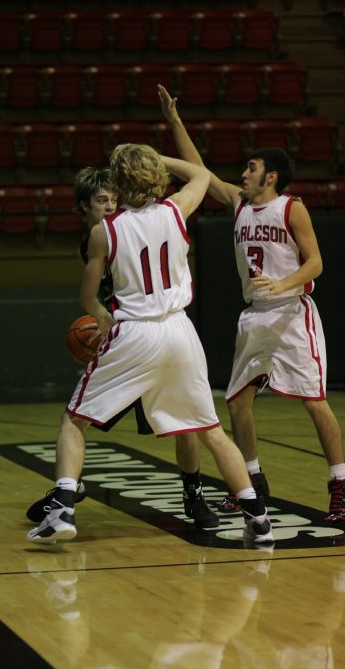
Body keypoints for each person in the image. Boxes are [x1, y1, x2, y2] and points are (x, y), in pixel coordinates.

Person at [27, 143, 274, 545]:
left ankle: (63, 511)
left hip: (136, 331)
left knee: (75, 420)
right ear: (154, 176)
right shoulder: (177, 209)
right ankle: (258, 518)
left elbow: (87, 298)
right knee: (210, 430)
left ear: (119, 184)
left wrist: (102, 315)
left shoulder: (104, 231)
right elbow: (200, 174)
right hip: (180, 330)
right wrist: (155, 157)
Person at [158, 83, 345, 522]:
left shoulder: (291, 207)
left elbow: (316, 262)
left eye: (251, 166)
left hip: (291, 316)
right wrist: (174, 122)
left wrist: (286, 284)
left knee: (314, 401)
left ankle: (340, 485)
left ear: (271, 176)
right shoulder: (240, 204)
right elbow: (198, 171)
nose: (244, 172)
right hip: (255, 317)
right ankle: (254, 481)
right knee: (237, 402)